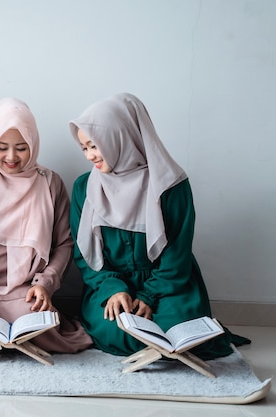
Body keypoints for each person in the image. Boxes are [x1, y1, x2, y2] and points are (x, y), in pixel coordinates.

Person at [68, 93, 249, 360]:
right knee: (115, 329)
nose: (90, 156)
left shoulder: (170, 185)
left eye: (95, 146)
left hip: (168, 283)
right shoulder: (85, 188)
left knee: (175, 330)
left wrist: (149, 295)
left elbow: (177, 253)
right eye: (84, 148)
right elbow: (84, 255)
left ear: (121, 136)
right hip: (111, 285)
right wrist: (113, 289)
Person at [0, 97, 93, 354]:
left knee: (38, 322)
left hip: (26, 290)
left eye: (21, 147)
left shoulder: (49, 184)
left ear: (33, 144)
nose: (11, 157)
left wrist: (45, 284)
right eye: (2, 147)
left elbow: (64, 244)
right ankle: (6, 339)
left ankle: (6, 340)